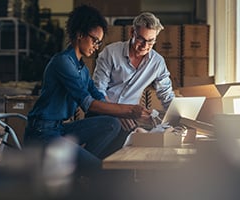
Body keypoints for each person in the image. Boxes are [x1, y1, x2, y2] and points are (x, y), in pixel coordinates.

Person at [23, 5, 151, 178]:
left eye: (99, 42)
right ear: (80, 34)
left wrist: (124, 118)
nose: (97, 47)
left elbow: (97, 95)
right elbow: (88, 104)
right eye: (94, 40)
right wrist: (130, 110)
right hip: (41, 134)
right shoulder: (63, 63)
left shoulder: (81, 68)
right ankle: (83, 169)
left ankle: (78, 170)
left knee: (111, 123)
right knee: (97, 169)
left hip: (59, 129)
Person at [92, 12, 175, 155]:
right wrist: (118, 113)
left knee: (133, 153)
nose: (145, 46)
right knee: (106, 154)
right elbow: (97, 91)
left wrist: (179, 116)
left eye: (151, 41)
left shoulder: (157, 63)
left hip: (129, 119)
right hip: (102, 114)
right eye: (141, 39)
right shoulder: (111, 53)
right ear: (132, 32)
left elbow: (166, 95)